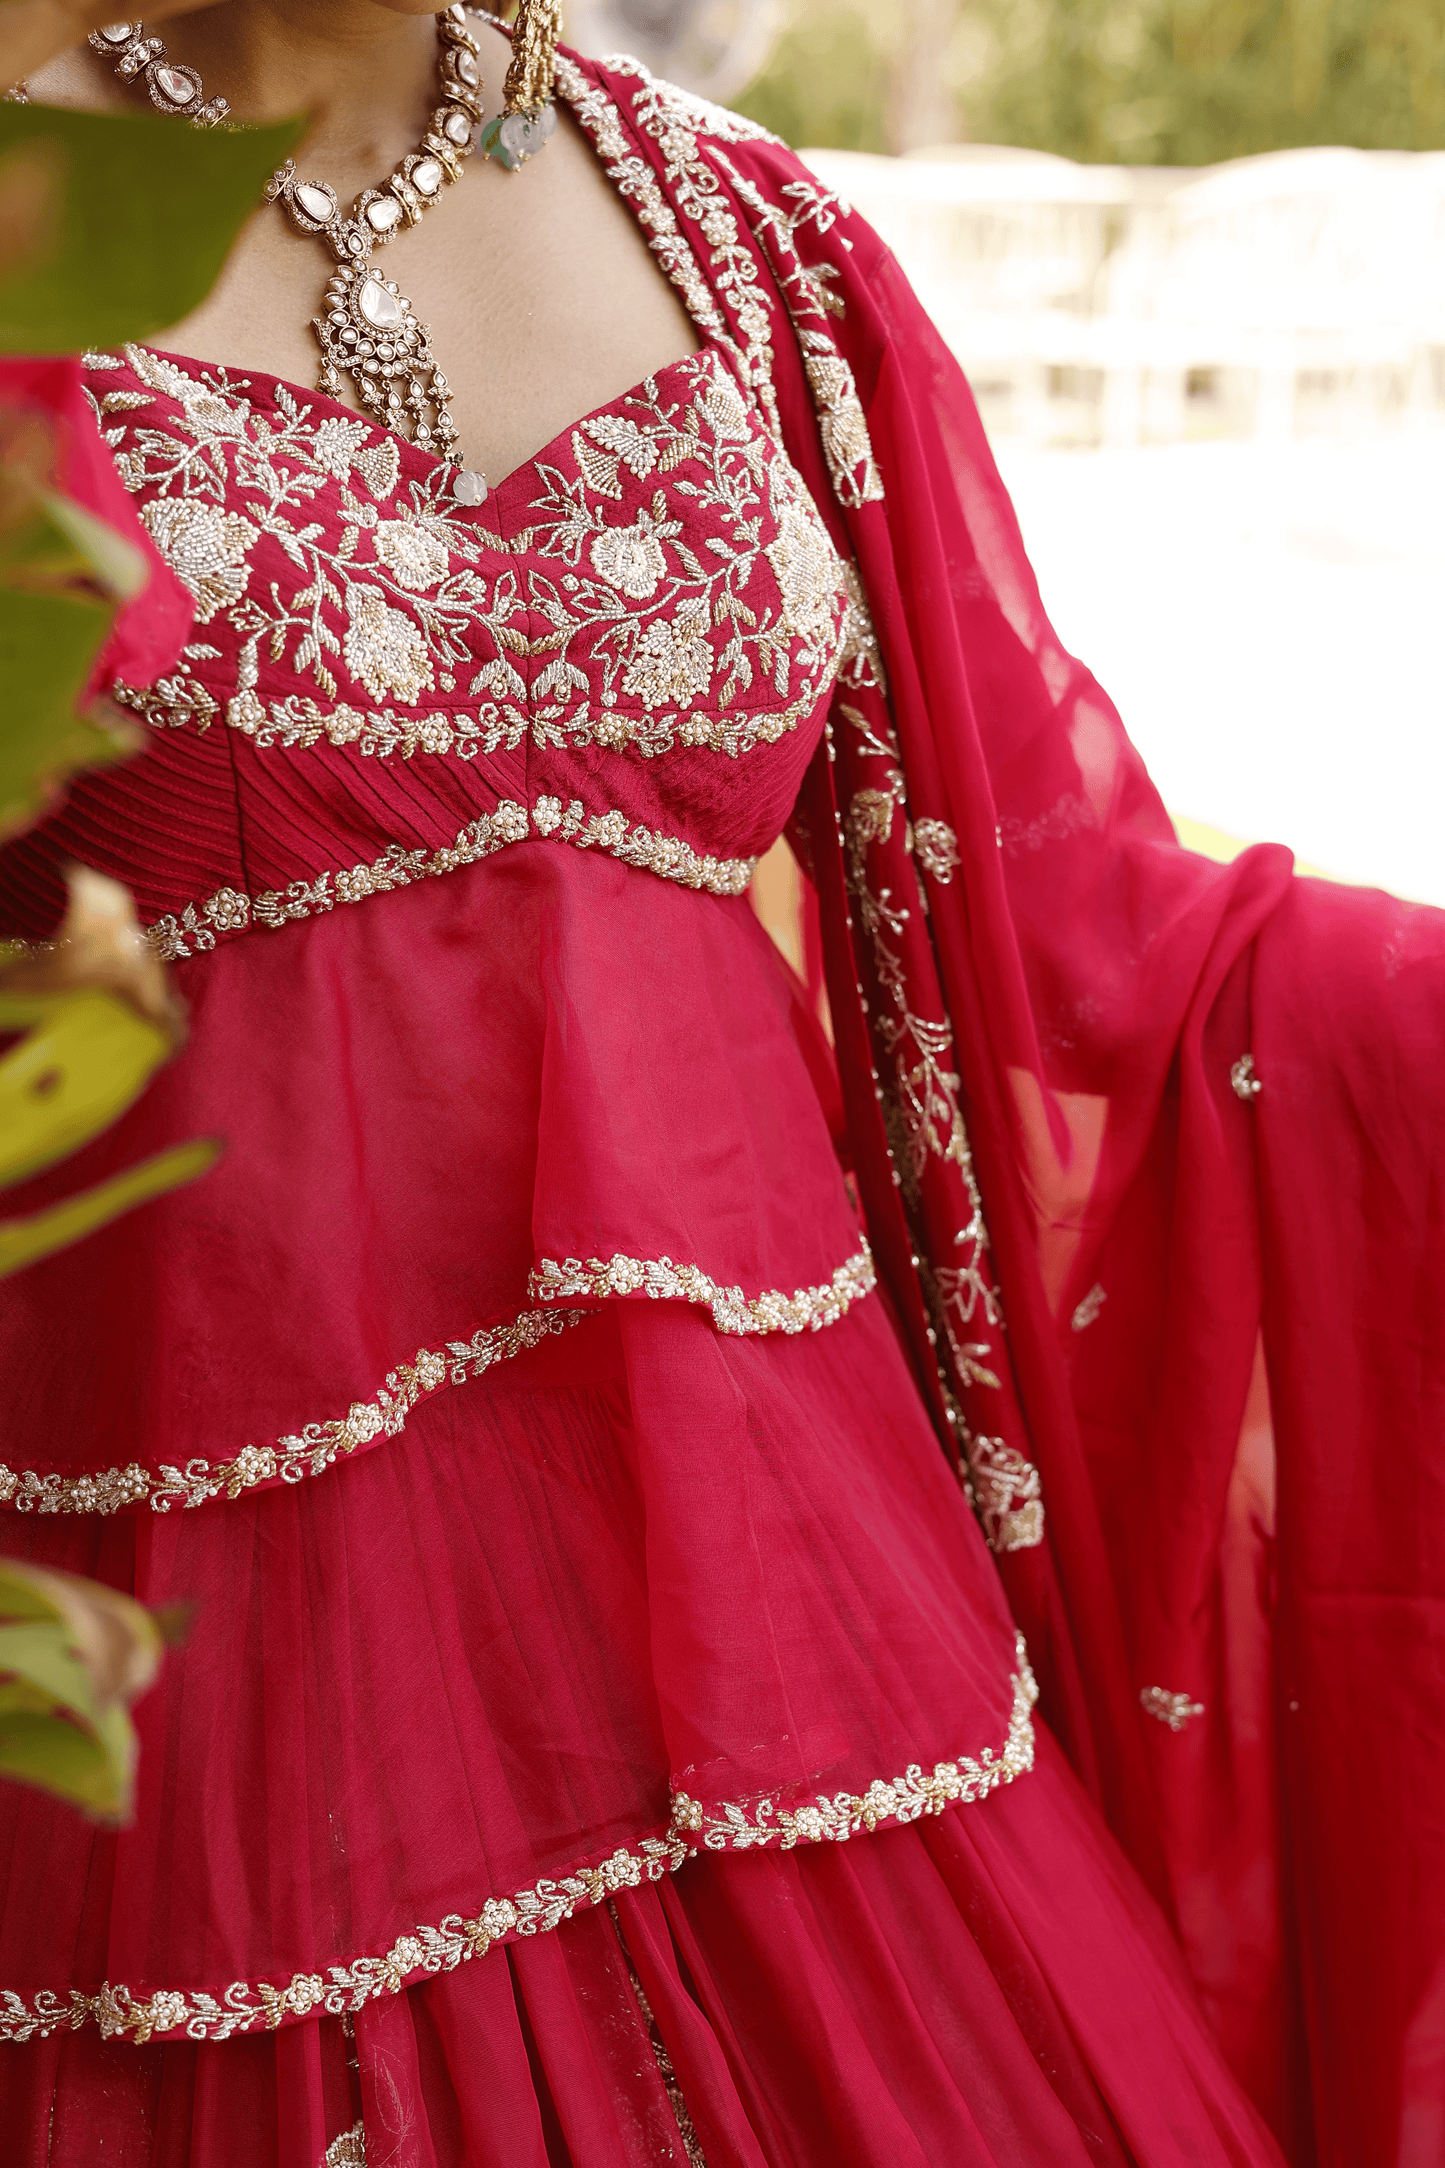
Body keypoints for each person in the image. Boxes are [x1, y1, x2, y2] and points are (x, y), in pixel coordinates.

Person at [0, 4, 1440, 2162]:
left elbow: (1068, 943)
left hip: (814, 1710)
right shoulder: (30, 214)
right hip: (224, 1765)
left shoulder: (759, 252)